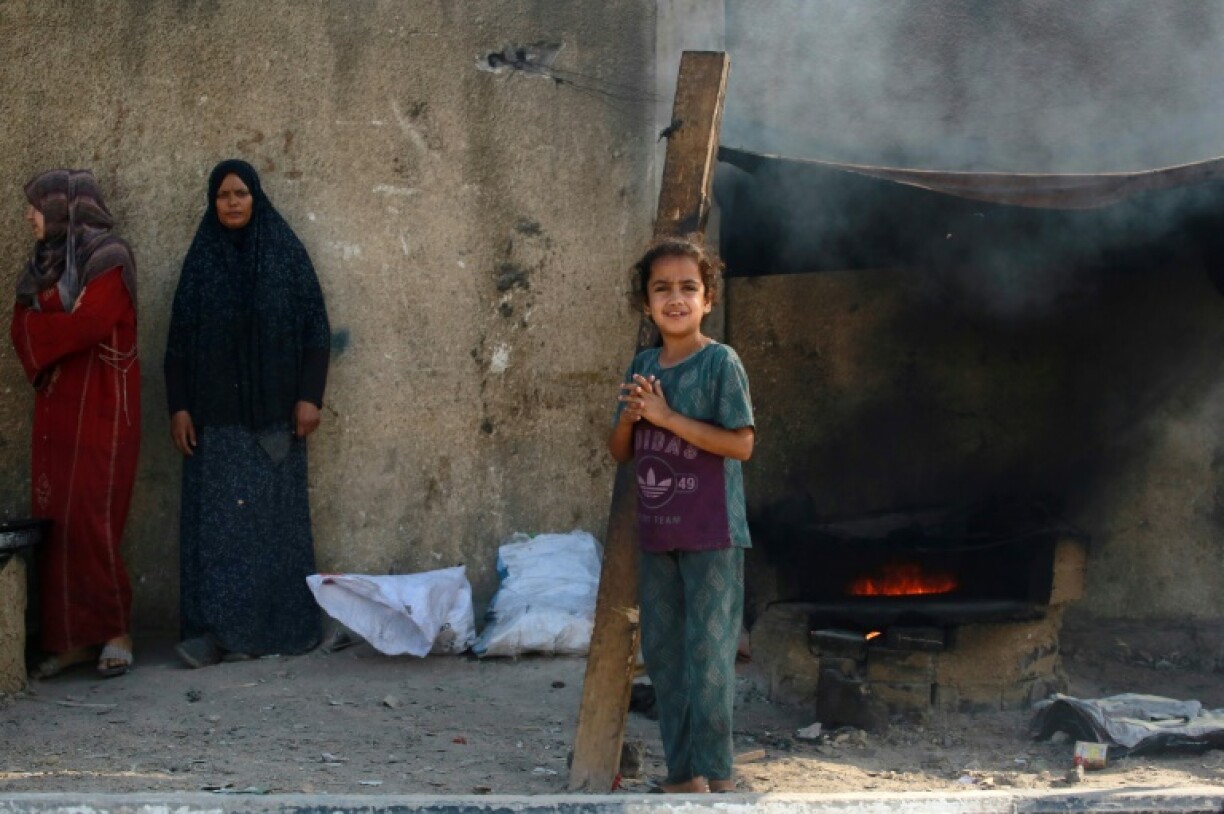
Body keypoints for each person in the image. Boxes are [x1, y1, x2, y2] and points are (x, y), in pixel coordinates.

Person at [164, 159, 330, 668]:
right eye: (222, 195)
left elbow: (316, 331)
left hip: (275, 424)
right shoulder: (201, 262)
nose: (232, 203)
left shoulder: (284, 254)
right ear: (212, 204)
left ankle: (273, 631)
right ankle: (214, 636)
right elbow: (178, 347)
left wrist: (310, 397)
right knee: (218, 537)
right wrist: (180, 409)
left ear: (256, 197)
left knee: (270, 533)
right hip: (217, 426)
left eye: (240, 193)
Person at [607, 236, 755, 793]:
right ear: (646, 303)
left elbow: (740, 445)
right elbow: (622, 451)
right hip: (658, 532)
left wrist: (666, 417)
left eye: (688, 288)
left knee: (710, 657)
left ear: (708, 298)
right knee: (665, 656)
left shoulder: (721, 362)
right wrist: (632, 415)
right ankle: (682, 775)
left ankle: (717, 775)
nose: (675, 298)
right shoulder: (643, 364)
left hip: (713, 532)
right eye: (661, 289)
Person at [9, 169, 140, 679]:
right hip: (58, 412)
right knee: (57, 522)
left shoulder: (109, 258)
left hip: (103, 410)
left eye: (37, 206)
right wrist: (51, 325)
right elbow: (19, 327)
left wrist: (47, 325)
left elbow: (92, 322)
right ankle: (69, 641)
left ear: (63, 209)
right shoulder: (43, 263)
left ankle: (114, 631)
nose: (29, 215)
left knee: (93, 520)